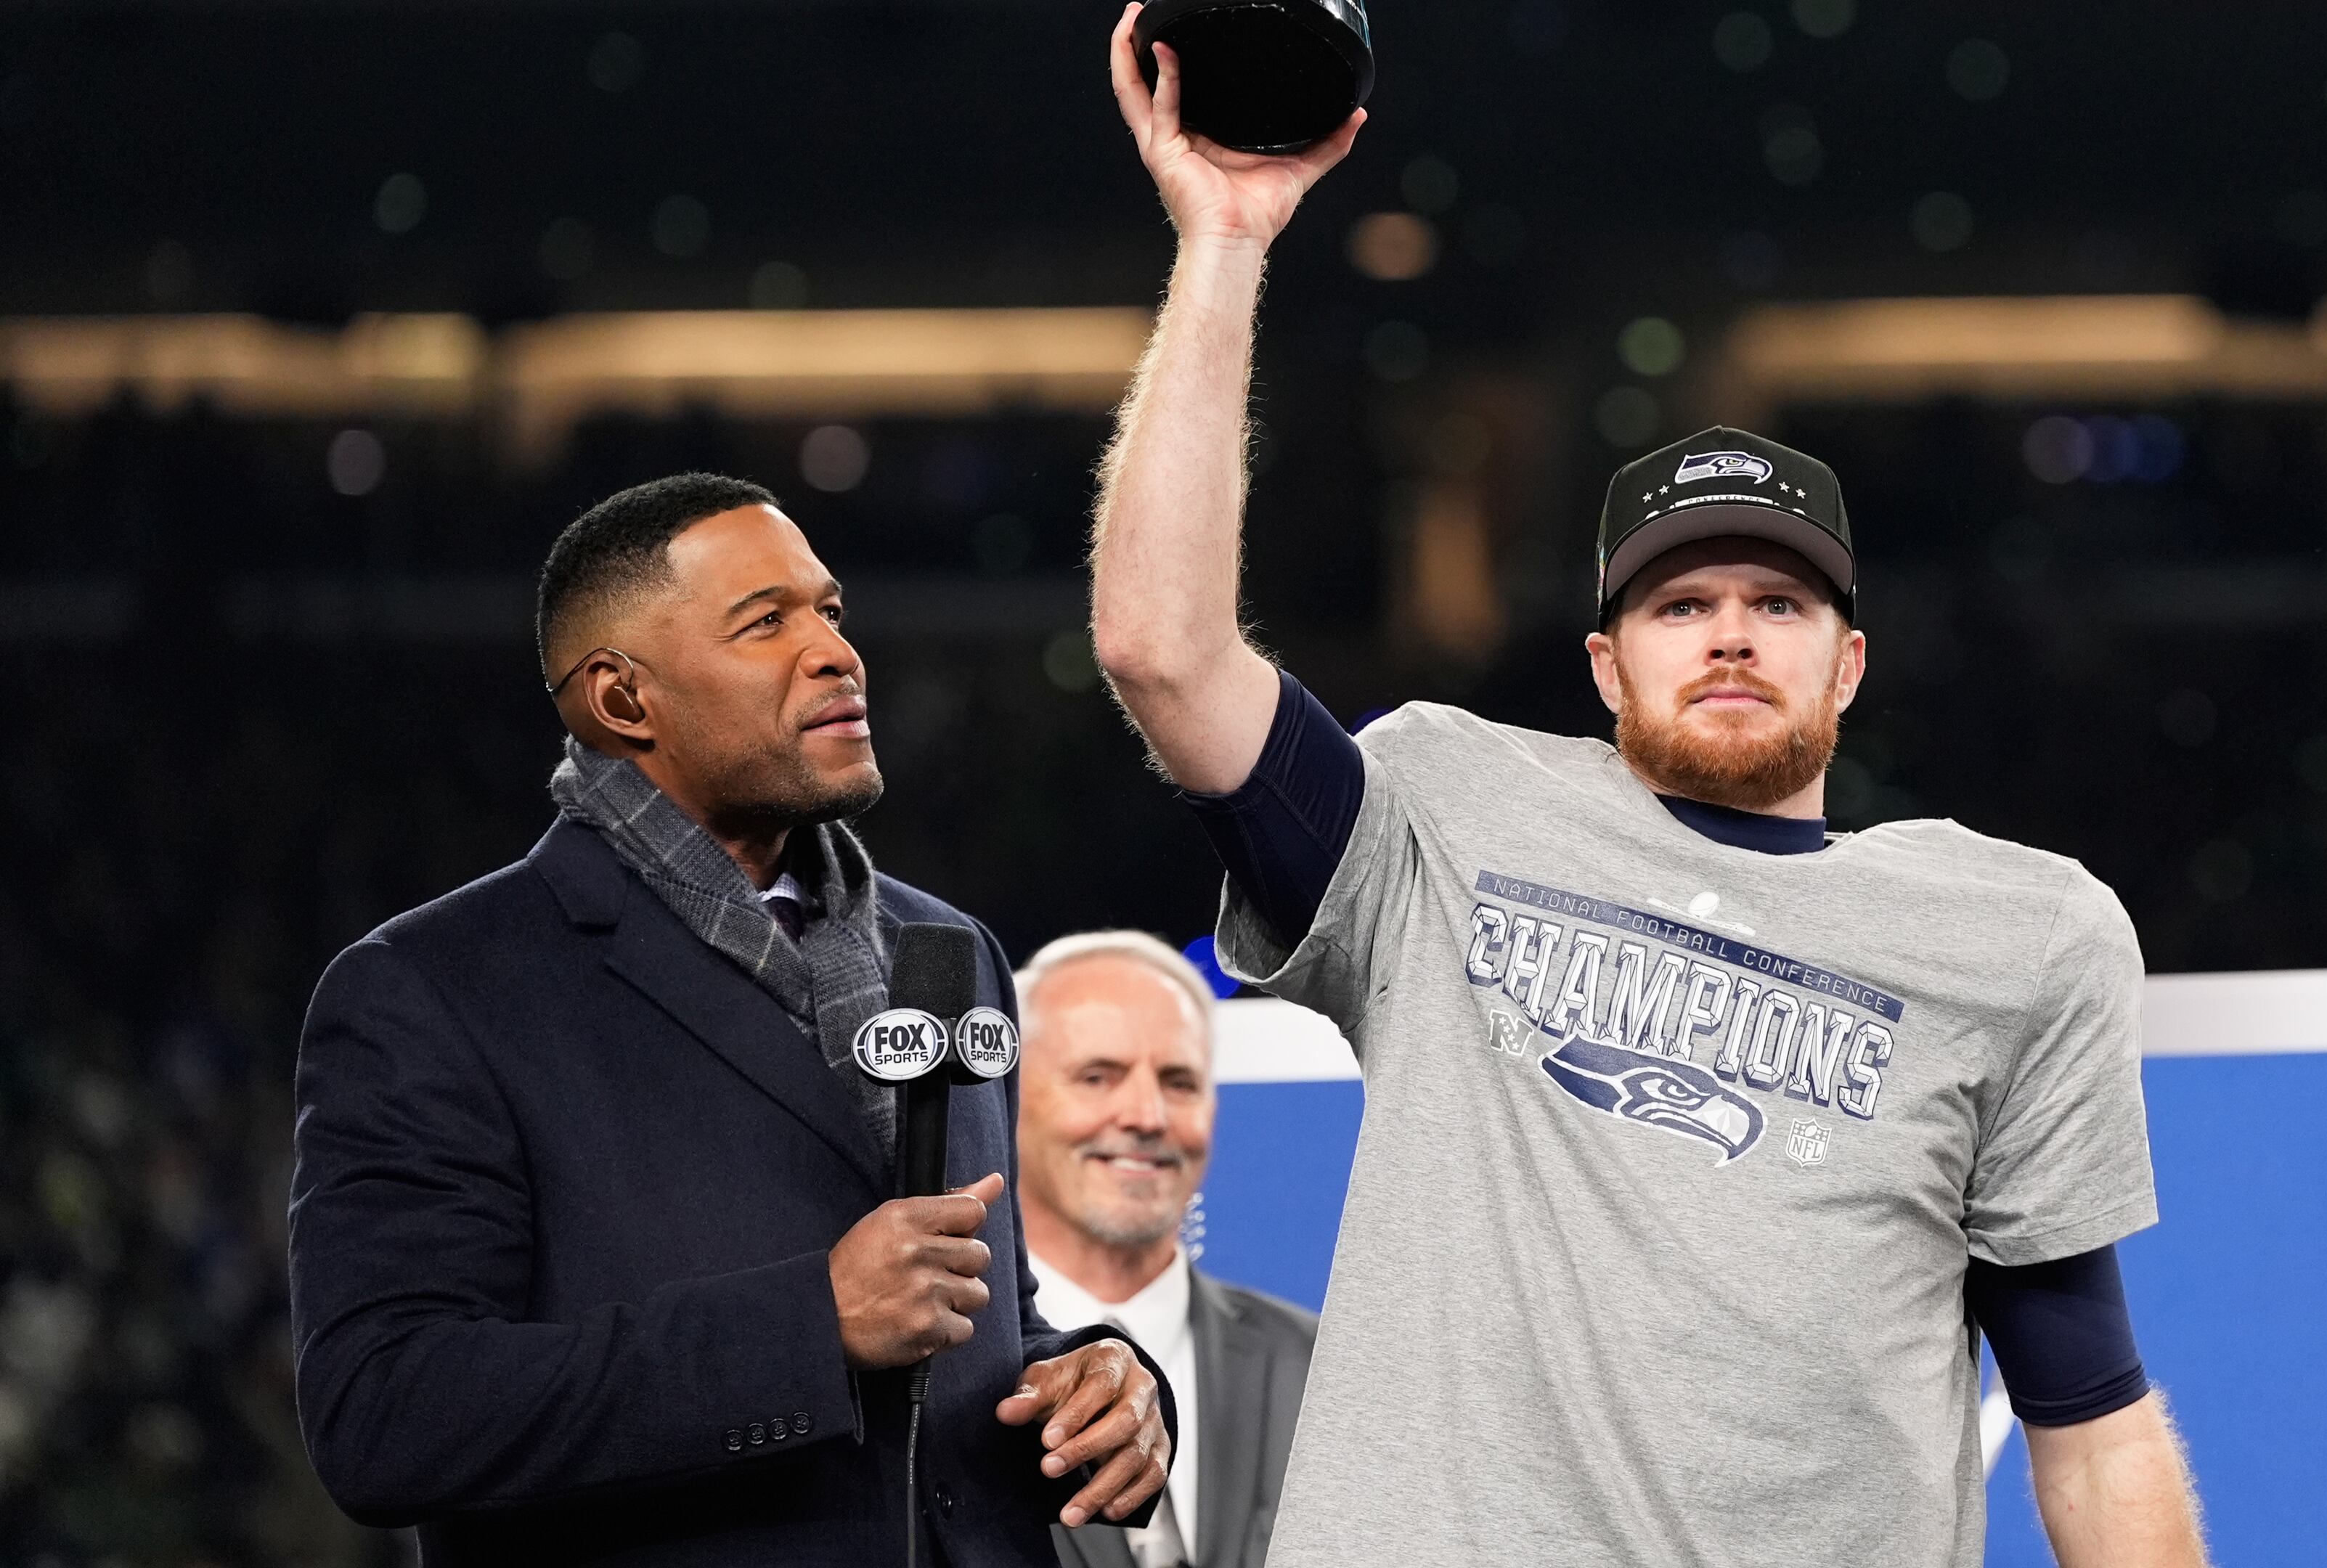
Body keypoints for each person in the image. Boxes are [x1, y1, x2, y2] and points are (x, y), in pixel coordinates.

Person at [1087, 11, 2209, 1567]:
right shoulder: (1437, 817)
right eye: (1683, 608)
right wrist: (1223, 241)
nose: (1734, 634)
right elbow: (1161, 652)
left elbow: (2088, 1409)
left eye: (1780, 605)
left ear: (1851, 667)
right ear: (1610, 669)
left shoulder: (2018, 935)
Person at [288, 474, 1173, 1567]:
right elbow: (384, 1416)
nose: (836, 652)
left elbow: (985, 1313)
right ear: (622, 700)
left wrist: (1095, 1377)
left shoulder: (949, 954)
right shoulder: (435, 992)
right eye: (766, 623)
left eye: (830, 612)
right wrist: (808, 1327)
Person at [1011, 931, 1319, 1568]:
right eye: (1098, 1076)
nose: (1148, 1116)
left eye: (1180, 1082)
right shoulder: (940, 1386)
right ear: (1007, 1105)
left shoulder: (1328, 1368)